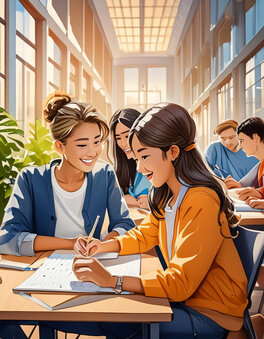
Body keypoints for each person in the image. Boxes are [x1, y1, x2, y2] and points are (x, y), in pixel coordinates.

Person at [56, 103, 247, 339]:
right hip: (184, 302)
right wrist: (102, 246)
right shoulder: (168, 193)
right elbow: (144, 235)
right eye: (137, 158)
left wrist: (111, 280)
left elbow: (180, 283)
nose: (140, 167)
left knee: (117, 320)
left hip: (210, 314)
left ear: (174, 152)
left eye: (145, 156)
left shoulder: (201, 200)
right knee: (106, 316)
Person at [0, 92, 135, 256]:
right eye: (82, 145)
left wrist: (100, 244)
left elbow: (125, 224)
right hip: (43, 269)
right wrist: (71, 244)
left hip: (92, 264)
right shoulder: (30, 179)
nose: (92, 152)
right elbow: (7, 238)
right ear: (59, 147)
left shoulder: (104, 174)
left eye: (97, 141)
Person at [109, 108, 151, 210]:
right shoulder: (131, 165)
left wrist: (150, 202)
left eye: (127, 136)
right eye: (118, 138)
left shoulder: (156, 162)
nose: (123, 144)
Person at [224, 117, 264, 203]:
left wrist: (259, 194)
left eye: (242, 141)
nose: (240, 146)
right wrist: (239, 186)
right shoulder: (260, 165)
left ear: (255, 137)